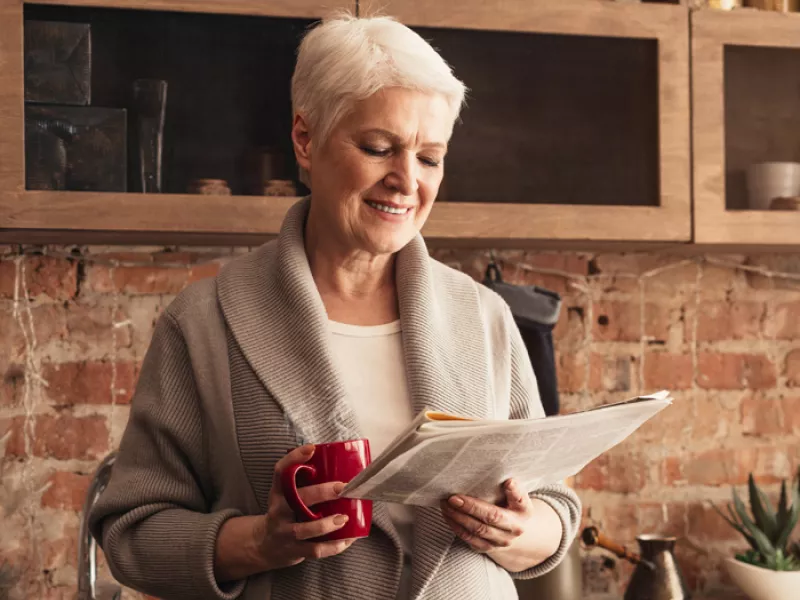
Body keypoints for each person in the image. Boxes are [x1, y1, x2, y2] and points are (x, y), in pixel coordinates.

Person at [89, 13, 581, 600]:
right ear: (305, 138)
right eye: (379, 148)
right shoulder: (203, 323)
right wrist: (262, 542)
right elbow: (132, 536)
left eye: (429, 158)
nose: (406, 181)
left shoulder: (483, 316)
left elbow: (553, 506)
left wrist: (523, 530)